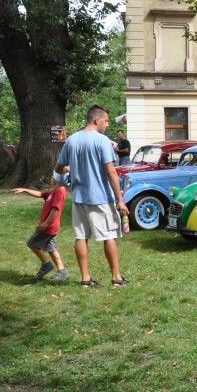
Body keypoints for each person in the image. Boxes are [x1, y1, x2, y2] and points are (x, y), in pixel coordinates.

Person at [54, 104, 130, 287]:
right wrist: (120, 200)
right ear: (97, 120)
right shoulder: (102, 141)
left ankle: (85, 279)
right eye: (106, 121)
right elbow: (111, 172)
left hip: (79, 197)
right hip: (101, 197)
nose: (108, 125)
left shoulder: (71, 140)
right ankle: (116, 278)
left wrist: (72, 170)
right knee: (109, 236)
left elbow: (58, 168)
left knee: (81, 237)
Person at [11, 171, 69, 281]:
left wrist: (46, 224)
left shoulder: (60, 191)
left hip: (49, 226)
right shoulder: (54, 191)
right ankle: (61, 270)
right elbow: (41, 194)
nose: (52, 177)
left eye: (54, 176)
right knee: (51, 248)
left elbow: (55, 209)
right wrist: (25, 190)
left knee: (32, 243)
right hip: (50, 226)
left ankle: (46, 265)